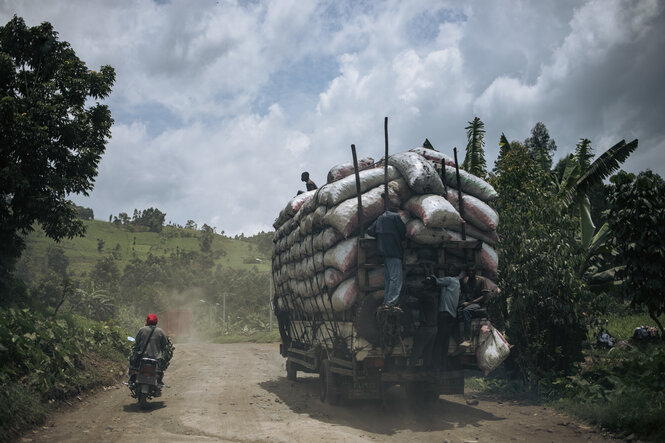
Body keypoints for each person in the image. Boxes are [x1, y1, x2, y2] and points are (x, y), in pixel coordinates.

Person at [367, 206, 406, 309]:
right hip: (394, 251)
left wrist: (380, 236)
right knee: (396, 279)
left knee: (389, 279)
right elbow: (403, 231)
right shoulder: (395, 217)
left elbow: (370, 231)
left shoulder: (380, 219)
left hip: (384, 253)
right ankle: (391, 303)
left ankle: (386, 302)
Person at [429, 270, 464, 371]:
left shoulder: (449, 280)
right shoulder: (457, 284)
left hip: (444, 315)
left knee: (439, 341)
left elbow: (435, 281)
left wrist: (429, 271)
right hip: (451, 316)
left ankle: (436, 366)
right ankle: (443, 366)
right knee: (445, 342)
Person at [129, 313, 171, 385]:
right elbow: (165, 344)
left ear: (147, 321)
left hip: (142, 356)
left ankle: (132, 379)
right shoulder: (160, 331)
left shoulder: (142, 330)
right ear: (156, 321)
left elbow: (137, 342)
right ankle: (159, 381)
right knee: (160, 370)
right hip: (156, 358)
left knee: (133, 365)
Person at [458, 270, 490, 347]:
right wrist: (462, 302)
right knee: (458, 311)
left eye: (472, 271)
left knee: (466, 311)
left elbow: (484, 296)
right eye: (469, 271)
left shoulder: (481, 280)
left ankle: (467, 339)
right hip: (468, 303)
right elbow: (463, 293)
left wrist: (470, 303)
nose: (471, 272)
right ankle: (459, 339)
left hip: (478, 304)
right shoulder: (465, 281)